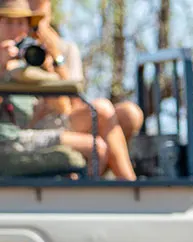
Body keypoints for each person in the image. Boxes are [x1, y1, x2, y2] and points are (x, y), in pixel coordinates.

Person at [1, 0, 107, 175]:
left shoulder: (31, 60)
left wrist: (52, 61)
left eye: (21, 23)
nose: (15, 30)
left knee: (100, 136)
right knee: (98, 148)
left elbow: (66, 107)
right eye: (9, 22)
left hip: (27, 132)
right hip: (8, 139)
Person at [27, 0, 143, 146]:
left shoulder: (65, 49)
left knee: (129, 114)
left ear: (49, 15)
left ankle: (98, 167)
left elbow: (74, 103)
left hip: (66, 117)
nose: (34, 28)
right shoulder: (12, 48)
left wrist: (56, 59)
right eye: (28, 20)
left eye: (38, 20)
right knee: (101, 111)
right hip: (36, 122)